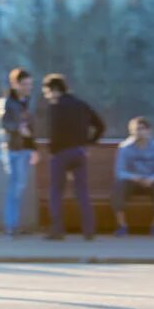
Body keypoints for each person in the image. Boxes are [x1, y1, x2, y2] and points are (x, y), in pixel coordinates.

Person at [43, 74, 105, 240]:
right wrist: (89, 143)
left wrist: (53, 150)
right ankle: (89, 230)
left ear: (55, 90)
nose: (46, 95)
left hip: (60, 153)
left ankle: (57, 230)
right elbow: (100, 125)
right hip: (79, 152)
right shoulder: (81, 104)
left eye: (47, 91)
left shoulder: (55, 106)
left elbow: (53, 132)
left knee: (56, 191)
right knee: (82, 192)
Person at [0, 68, 39, 238]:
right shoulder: (7, 102)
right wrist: (19, 129)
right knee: (14, 188)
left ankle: (13, 225)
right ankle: (11, 226)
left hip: (25, 150)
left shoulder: (26, 102)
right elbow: (4, 125)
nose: (29, 87)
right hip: (14, 149)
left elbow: (32, 128)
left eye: (30, 84)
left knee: (18, 188)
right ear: (16, 84)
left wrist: (34, 149)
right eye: (25, 84)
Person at [111, 116, 154, 237]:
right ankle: (122, 225)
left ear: (149, 130)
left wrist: (152, 179)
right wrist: (134, 177)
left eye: (142, 129)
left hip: (151, 181)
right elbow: (120, 172)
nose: (139, 132)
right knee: (118, 186)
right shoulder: (124, 147)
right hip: (132, 181)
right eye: (136, 129)